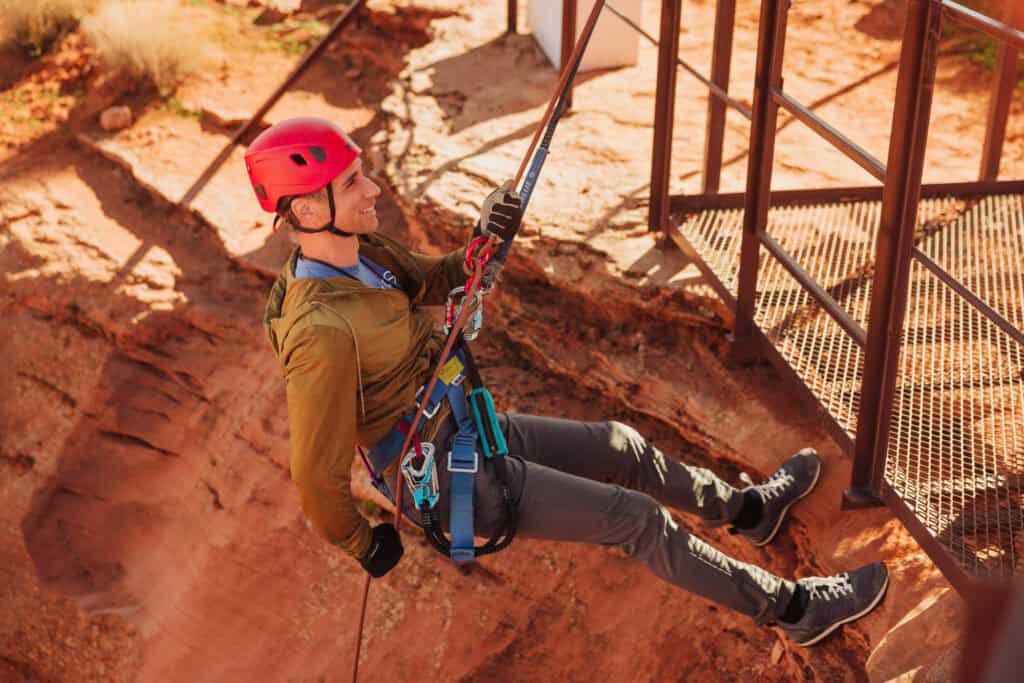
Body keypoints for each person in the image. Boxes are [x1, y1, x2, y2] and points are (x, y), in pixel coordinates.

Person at [249, 117, 889, 647]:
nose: (374, 190)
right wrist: (365, 544)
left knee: (621, 447)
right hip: (441, 477)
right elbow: (314, 472)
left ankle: (750, 511)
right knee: (636, 519)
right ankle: (795, 609)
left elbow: (439, 279)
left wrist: (482, 240)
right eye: (353, 181)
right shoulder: (321, 331)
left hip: (466, 427)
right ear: (308, 206)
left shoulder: (368, 255)